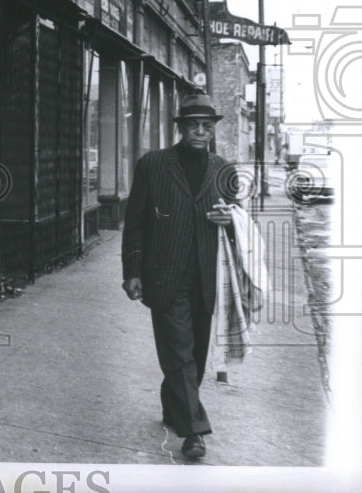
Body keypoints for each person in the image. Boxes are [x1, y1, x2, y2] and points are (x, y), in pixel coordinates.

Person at [121, 93, 238, 460]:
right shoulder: (153, 165)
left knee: (195, 355)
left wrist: (230, 221)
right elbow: (135, 223)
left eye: (207, 126)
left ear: (213, 129)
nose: (200, 132)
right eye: (193, 125)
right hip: (164, 275)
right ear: (181, 128)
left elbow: (241, 224)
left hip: (206, 276)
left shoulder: (224, 170)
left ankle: (174, 407)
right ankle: (194, 431)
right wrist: (132, 272)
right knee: (179, 352)